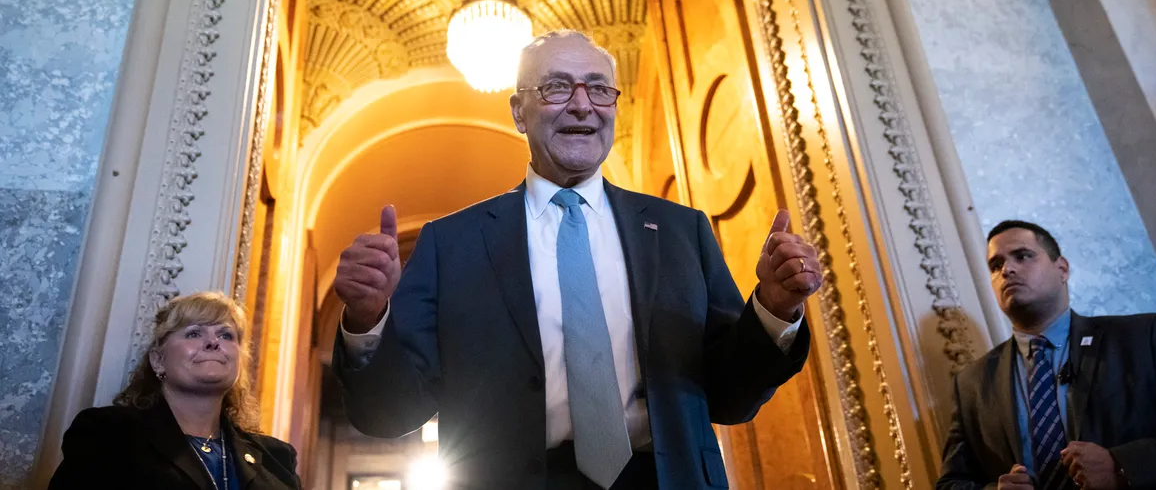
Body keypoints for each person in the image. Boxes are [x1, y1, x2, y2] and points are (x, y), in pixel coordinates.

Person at [333, 29, 824, 489]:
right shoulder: (450, 244)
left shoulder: (681, 231)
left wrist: (774, 309)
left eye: (598, 89)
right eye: (557, 88)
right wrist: (367, 318)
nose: (583, 105)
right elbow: (389, 412)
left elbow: (731, 396)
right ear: (519, 112)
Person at [938, 220, 1156, 490]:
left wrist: (1123, 466)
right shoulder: (971, 385)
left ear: (1062, 269)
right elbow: (949, 483)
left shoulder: (1143, 337)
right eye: (996, 266)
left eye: (1022, 255)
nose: (1007, 270)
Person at [50, 292, 300, 490]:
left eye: (226, 335)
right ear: (158, 360)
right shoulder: (107, 434)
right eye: (194, 333)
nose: (213, 342)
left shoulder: (277, 457)